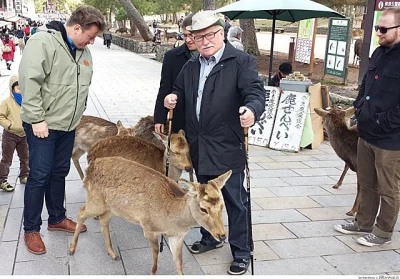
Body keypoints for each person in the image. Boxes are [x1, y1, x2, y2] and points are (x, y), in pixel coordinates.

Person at [163, 10, 265, 275]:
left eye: (210, 35)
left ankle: (242, 251)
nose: (205, 41)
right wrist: (171, 99)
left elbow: (255, 92)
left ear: (222, 34)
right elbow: (180, 90)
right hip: (199, 145)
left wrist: (252, 110)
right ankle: (210, 237)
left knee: (234, 200)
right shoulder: (192, 65)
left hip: (226, 145)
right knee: (204, 198)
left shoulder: (241, 61)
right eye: (198, 37)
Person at [18, 5, 106, 255]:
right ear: (76, 27)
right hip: (43, 125)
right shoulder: (43, 42)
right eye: (90, 36)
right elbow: (29, 81)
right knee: (39, 176)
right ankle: (31, 229)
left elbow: (81, 86)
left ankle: (57, 217)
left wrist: (77, 116)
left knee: (59, 172)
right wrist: (36, 119)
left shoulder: (83, 50)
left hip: (68, 126)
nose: (92, 41)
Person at [334, 7, 400, 247]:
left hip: (391, 139)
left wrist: (385, 121)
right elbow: (365, 86)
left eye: (383, 29)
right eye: (377, 28)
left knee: (388, 187)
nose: (378, 33)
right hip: (367, 132)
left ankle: (383, 232)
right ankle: (363, 222)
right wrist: (359, 107)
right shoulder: (378, 53)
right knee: (366, 181)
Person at [154, 13, 197, 134]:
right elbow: (165, 88)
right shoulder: (172, 57)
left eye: (191, 35)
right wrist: (159, 118)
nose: (188, 40)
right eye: (184, 35)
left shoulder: (212, 56)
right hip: (180, 119)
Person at [0, 74, 29, 192]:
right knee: (7, 158)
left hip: (24, 134)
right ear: (12, 88)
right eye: (18, 88)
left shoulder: (27, 101)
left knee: (25, 157)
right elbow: (1, 116)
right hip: (10, 135)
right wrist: (8, 124)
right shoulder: (7, 103)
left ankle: (24, 175)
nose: (20, 91)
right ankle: (2, 179)